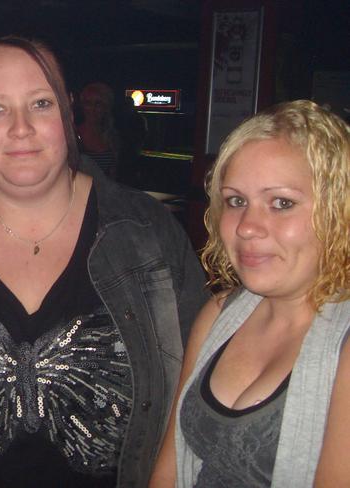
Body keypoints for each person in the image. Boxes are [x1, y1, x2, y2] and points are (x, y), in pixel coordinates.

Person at [0, 36, 207, 488]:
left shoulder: (146, 233)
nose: (20, 128)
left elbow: (198, 389)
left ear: (68, 112)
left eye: (40, 103)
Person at [149, 100, 350, 488]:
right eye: (237, 201)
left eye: (282, 203)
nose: (247, 227)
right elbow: (168, 470)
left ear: (337, 210)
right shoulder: (221, 313)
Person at [76, 81, 120, 179]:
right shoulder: (73, 134)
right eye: (88, 103)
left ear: (106, 107)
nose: (93, 109)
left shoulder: (112, 137)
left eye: (98, 104)